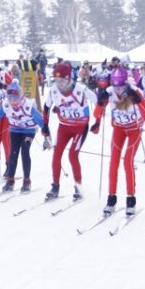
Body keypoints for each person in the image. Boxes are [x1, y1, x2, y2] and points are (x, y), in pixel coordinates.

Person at [91, 66, 145, 216]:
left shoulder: (135, 91)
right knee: (113, 162)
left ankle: (131, 200)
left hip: (134, 130)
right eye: (115, 87)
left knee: (127, 162)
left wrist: (138, 100)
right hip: (118, 129)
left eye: (121, 87)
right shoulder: (109, 92)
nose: (118, 90)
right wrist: (100, 104)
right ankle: (111, 199)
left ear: (126, 83)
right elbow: (97, 113)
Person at [42, 61, 91, 201]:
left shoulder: (79, 89)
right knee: (56, 155)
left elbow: (98, 99)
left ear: (69, 78)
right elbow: (46, 107)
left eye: (62, 80)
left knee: (72, 155)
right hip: (64, 127)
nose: (60, 84)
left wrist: (99, 119)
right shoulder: (53, 90)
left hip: (80, 127)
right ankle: (55, 186)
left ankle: (78, 187)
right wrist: (45, 127)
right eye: (56, 80)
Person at [0, 81, 45, 192]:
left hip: (29, 131)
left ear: (21, 97)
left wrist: (47, 136)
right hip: (15, 130)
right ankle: (10, 181)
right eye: (10, 98)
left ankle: (27, 181)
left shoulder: (28, 105)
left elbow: (40, 120)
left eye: (15, 99)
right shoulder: (6, 104)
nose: (12, 101)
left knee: (25, 151)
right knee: (13, 153)